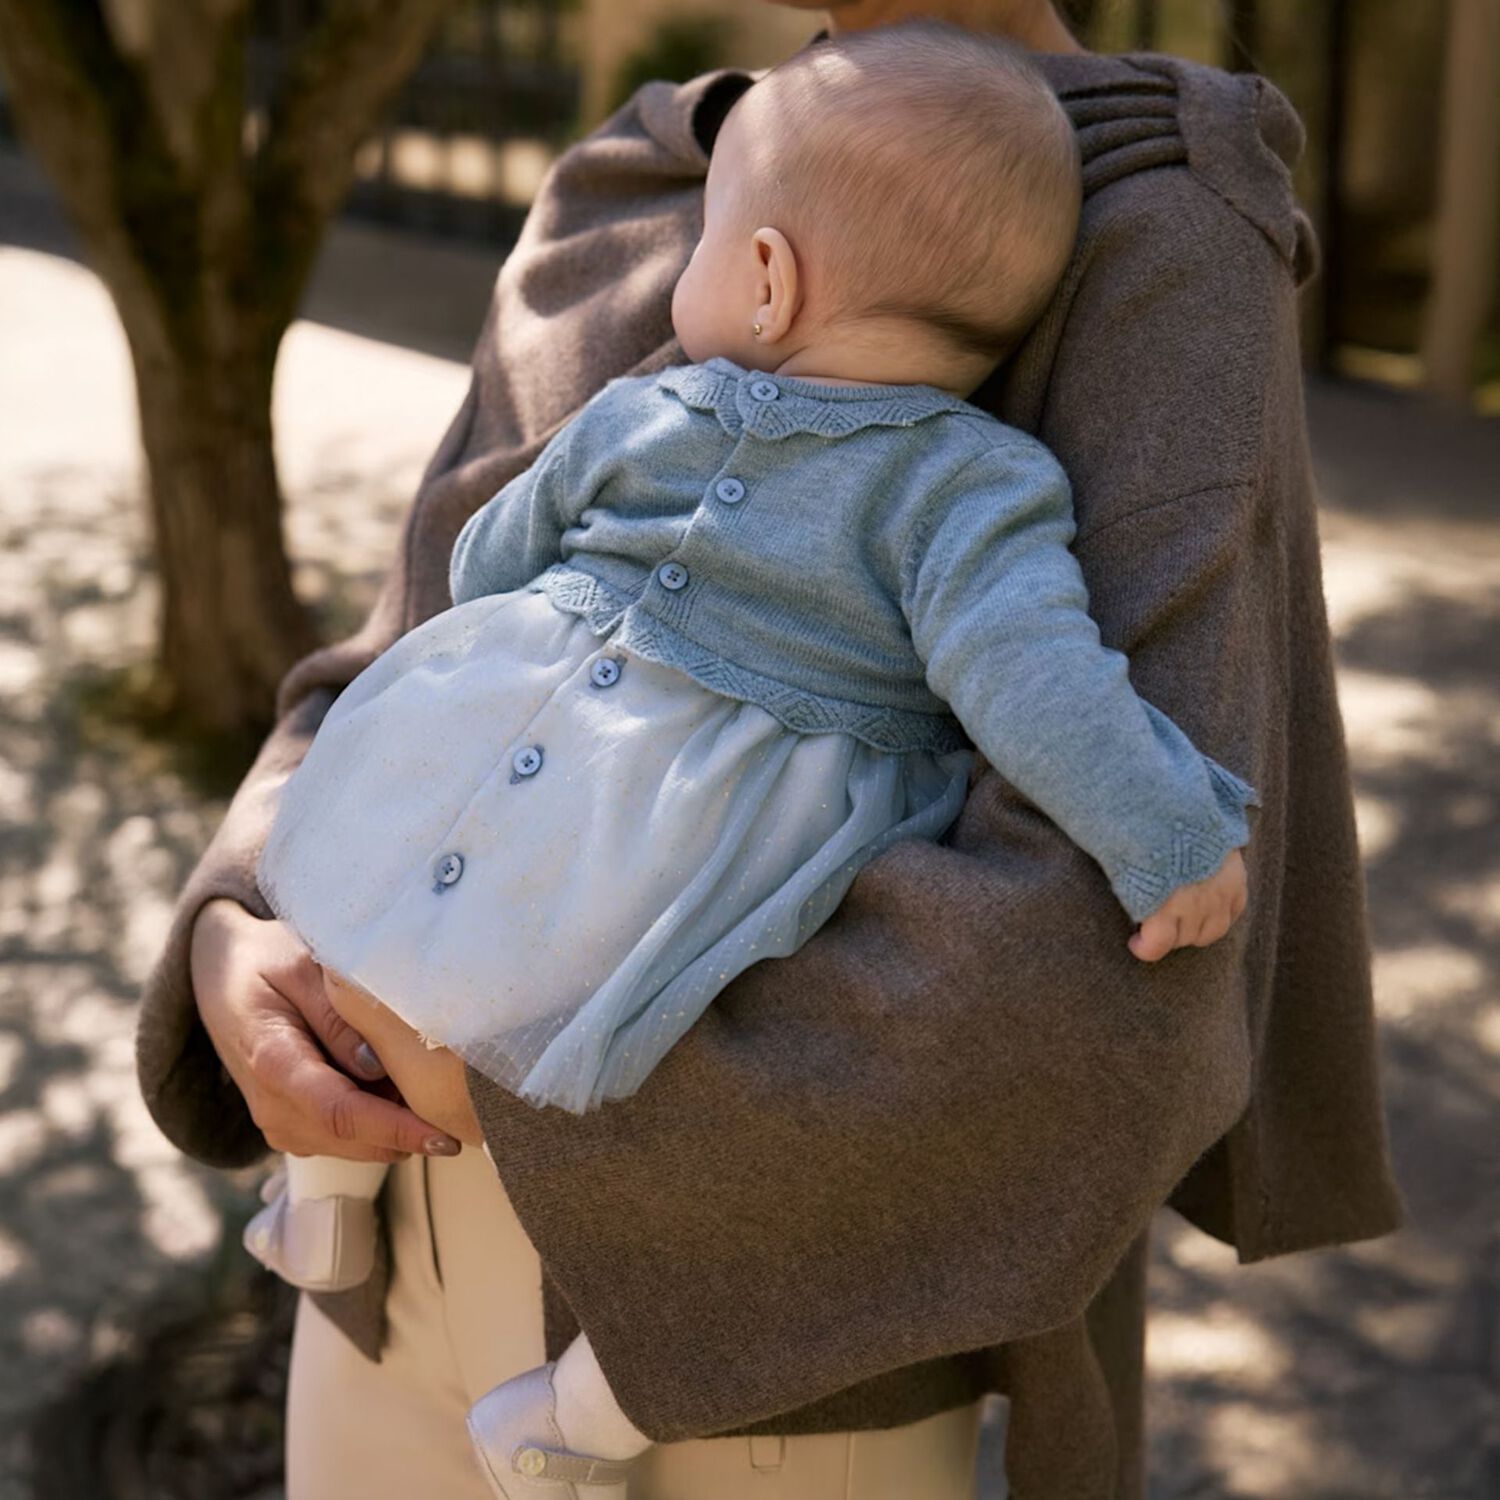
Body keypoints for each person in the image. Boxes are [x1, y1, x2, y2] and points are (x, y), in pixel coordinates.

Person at [136, 3, 1403, 1497]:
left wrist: (516, 1079)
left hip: (759, 1369)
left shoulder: (1147, 226)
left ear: (766, 274)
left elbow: (1115, 967)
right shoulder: (643, 170)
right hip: (371, 1282)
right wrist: (239, 919)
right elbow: (419, 629)